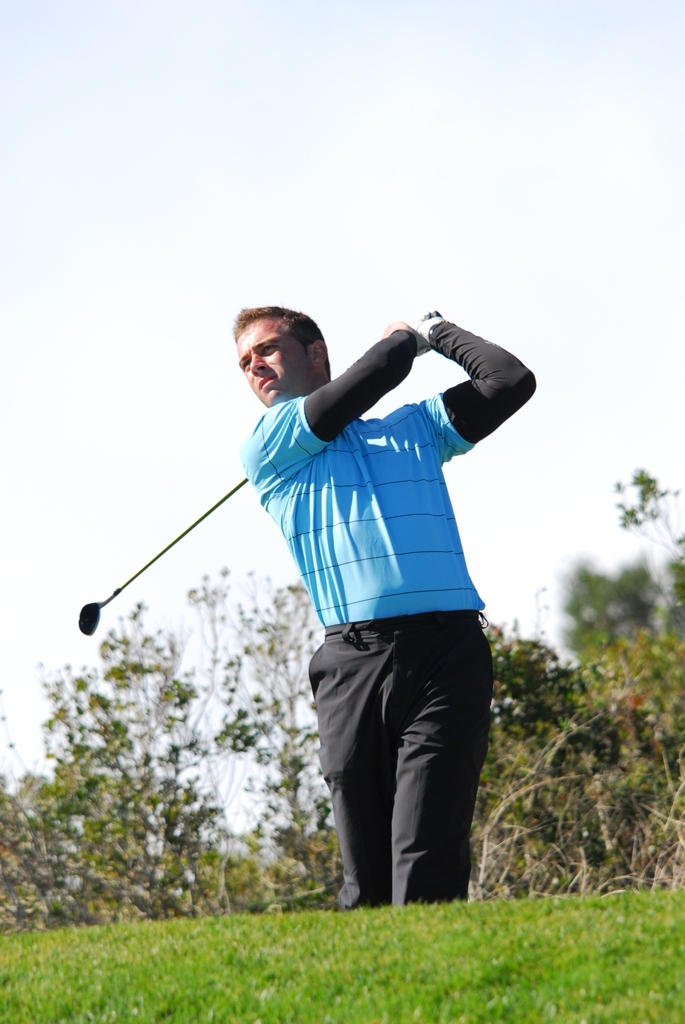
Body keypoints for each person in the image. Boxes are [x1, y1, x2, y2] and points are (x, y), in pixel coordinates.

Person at [236, 306, 536, 908]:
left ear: (316, 353)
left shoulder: (413, 430)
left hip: (447, 656)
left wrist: (438, 331)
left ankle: (435, 967)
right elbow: (383, 368)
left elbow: (509, 381)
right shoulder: (270, 445)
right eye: (245, 362)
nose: (255, 366)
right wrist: (405, 339)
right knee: (366, 880)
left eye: (267, 349)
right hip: (351, 666)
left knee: (425, 858)